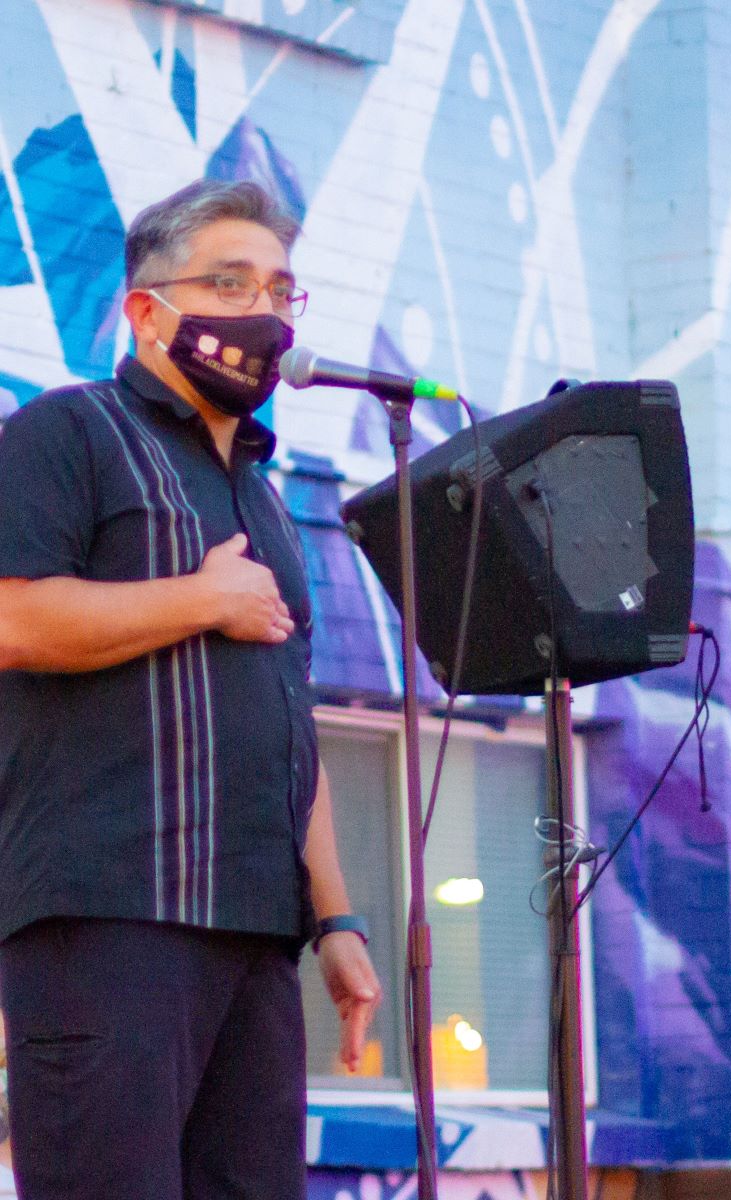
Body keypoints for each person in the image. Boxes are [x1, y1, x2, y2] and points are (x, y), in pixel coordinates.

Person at [0, 178, 381, 1200]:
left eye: (281, 290)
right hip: (108, 920)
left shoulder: (263, 497)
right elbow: (12, 621)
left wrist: (335, 920)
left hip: (257, 935)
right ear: (144, 309)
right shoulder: (65, 434)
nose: (263, 312)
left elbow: (288, 725)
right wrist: (202, 599)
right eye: (229, 281)